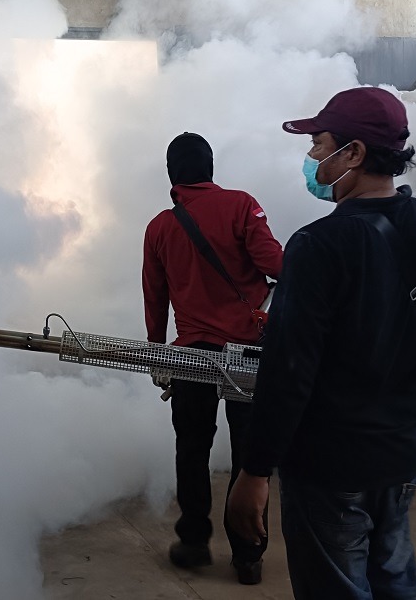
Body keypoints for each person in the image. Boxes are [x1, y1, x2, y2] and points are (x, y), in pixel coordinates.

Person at [226, 87, 416, 599]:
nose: (312, 157)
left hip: (331, 461)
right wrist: (392, 339)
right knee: (392, 578)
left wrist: (254, 472)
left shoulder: (318, 245)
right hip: (400, 450)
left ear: (355, 153)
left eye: (320, 144)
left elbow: (290, 370)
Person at [142, 132, 284, 585]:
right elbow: (276, 264)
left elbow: (155, 297)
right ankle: (248, 554)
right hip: (247, 353)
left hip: (191, 357)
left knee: (192, 448)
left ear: (171, 175)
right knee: (250, 456)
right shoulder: (242, 205)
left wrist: (158, 351)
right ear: (211, 168)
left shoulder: (160, 227)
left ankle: (193, 541)